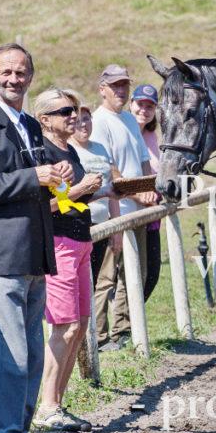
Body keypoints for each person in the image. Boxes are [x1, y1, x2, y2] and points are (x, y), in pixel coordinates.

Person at [0, 43, 73, 433]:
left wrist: (57, 177)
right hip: (4, 253)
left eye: (21, 72)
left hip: (35, 253)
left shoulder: (29, 124)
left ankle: (19, 432)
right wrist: (33, 177)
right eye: (6, 72)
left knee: (32, 351)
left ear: (30, 77)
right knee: (9, 353)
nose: (14, 79)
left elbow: (38, 184)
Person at [32, 89, 105, 433]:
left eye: (73, 109)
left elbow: (68, 198)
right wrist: (80, 189)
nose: (73, 116)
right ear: (45, 119)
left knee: (80, 326)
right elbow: (42, 207)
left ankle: (57, 404)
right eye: (65, 111)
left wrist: (97, 188)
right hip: (59, 242)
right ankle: (46, 407)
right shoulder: (42, 155)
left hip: (81, 239)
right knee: (66, 326)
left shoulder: (70, 150)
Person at [90, 64, 156, 351]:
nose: (121, 90)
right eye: (115, 85)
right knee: (106, 277)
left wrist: (149, 188)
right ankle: (99, 336)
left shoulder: (129, 119)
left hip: (137, 210)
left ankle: (124, 330)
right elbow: (108, 167)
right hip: (112, 210)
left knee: (135, 273)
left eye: (124, 85)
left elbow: (143, 160)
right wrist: (138, 194)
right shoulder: (98, 121)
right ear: (102, 89)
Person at [70, 105, 120, 287]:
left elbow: (111, 190)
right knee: (80, 282)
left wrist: (117, 228)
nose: (83, 124)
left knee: (95, 279)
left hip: (102, 222)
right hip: (81, 223)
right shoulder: (69, 150)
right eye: (77, 121)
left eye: (86, 119)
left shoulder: (100, 148)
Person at [131, 84, 161, 301]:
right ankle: (125, 317)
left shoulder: (152, 136)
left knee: (151, 273)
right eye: (140, 104)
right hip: (128, 208)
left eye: (150, 106)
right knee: (131, 273)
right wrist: (140, 193)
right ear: (131, 103)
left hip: (152, 214)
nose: (144, 110)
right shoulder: (124, 130)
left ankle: (135, 317)